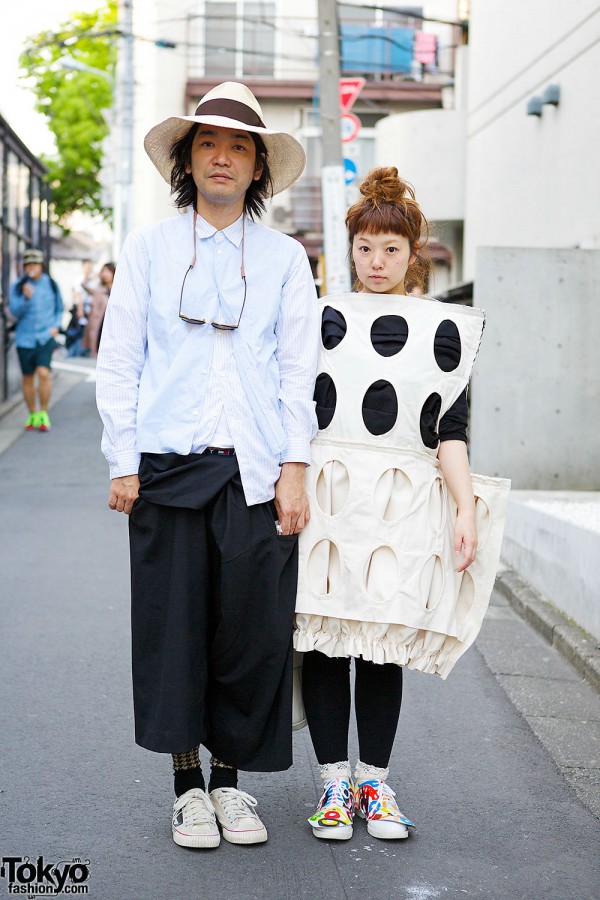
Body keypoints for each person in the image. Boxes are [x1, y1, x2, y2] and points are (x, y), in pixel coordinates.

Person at [95, 82, 319, 850]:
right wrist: (123, 459)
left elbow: (299, 370)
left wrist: (295, 466)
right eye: (207, 144)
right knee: (173, 628)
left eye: (239, 146)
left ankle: (231, 784)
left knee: (250, 633)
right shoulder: (151, 249)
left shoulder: (286, 258)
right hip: (167, 464)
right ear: (188, 162)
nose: (222, 157)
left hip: (256, 469)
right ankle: (186, 786)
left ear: (258, 168)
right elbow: (120, 360)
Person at [294, 167, 509, 842]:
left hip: (402, 506)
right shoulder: (320, 317)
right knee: (328, 639)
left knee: (384, 642)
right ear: (349, 249)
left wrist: (466, 508)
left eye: (390, 249)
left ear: (412, 253)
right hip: (329, 498)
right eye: (365, 248)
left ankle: (374, 784)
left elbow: (448, 430)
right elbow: (297, 411)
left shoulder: (444, 331)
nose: (376, 261)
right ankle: (333, 782)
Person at [9, 248, 64, 431]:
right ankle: (32, 413)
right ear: (24, 267)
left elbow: (59, 308)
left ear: (41, 265)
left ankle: (44, 413)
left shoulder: (52, 284)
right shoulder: (18, 286)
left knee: (43, 373)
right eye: (28, 264)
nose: (31, 267)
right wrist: (25, 298)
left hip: (44, 338)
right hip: (25, 339)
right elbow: (14, 313)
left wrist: (56, 326)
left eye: (35, 264)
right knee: (27, 378)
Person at [83, 262, 115, 357]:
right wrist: (94, 275)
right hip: (101, 326)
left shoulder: (120, 289)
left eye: (108, 271)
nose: (105, 274)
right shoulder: (99, 290)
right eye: (103, 271)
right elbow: (84, 285)